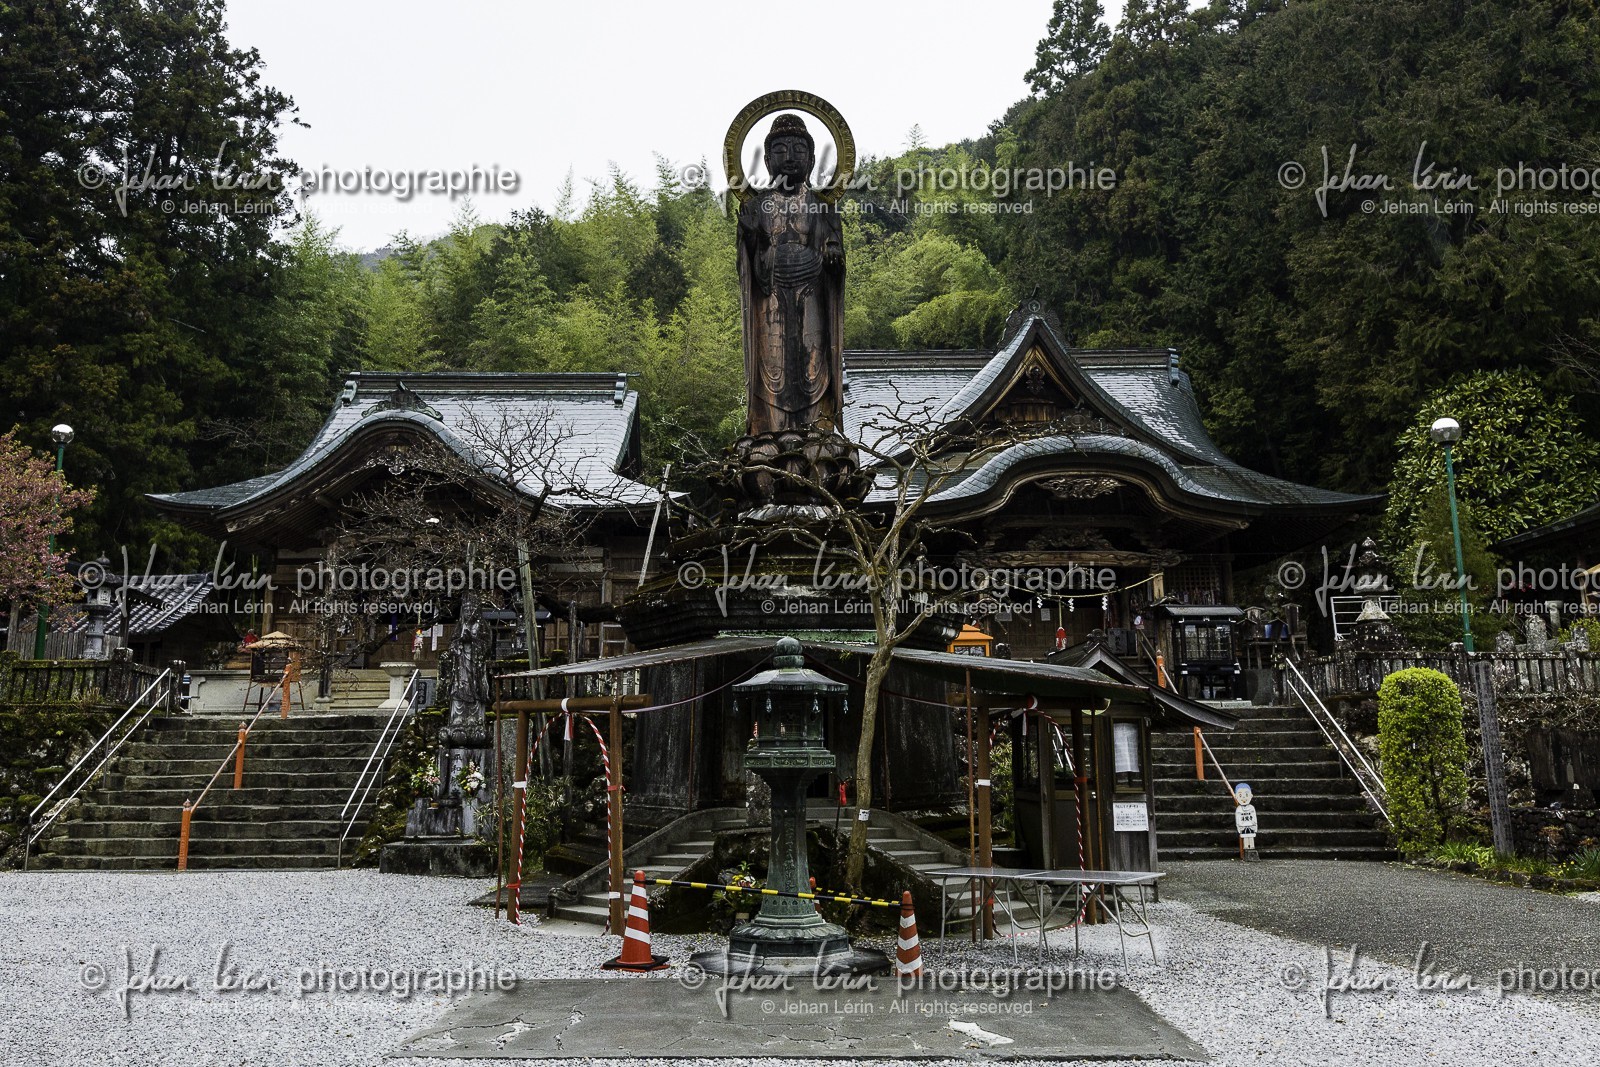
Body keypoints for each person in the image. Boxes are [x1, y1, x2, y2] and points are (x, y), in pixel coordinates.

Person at [736, 113, 845, 437]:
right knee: (771, 363)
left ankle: (817, 429)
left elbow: (834, 248)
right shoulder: (756, 206)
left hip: (812, 291)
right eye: (780, 150)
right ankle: (767, 431)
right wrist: (751, 236)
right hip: (769, 292)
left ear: (811, 159)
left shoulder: (823, 207)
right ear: (767, 160)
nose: (790, 156)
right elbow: (747, 263)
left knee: (814, 360)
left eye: (799, 149)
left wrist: (833, 256)